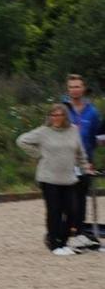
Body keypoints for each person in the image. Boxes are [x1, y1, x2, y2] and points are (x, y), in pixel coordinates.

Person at [17, 104, 92, 256]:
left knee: (72, 211)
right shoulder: (43, 132)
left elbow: (80, 152)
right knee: (54, 211)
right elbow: (22, 141)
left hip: (69, 178)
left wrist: (85, 168)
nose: (56, 118)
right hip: (49, 178)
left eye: (59, 115)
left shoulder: (73, 130)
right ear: (49, 117)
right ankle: (54, 244)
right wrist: (39, 154)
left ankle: (63, 242)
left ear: (65, 116)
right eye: (53, 115)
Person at [60, 73, 101, 245]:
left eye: (77, 86)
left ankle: (80, 231)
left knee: (81, 198)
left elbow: (94, 137)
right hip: (63, 160)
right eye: (71, 87)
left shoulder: (92, 112)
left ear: (83, 88)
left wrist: (90, 160)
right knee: (65, 198)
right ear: (67, 89)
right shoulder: (61, 109)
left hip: (84, 161)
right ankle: (65, 230)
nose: (75, 90)